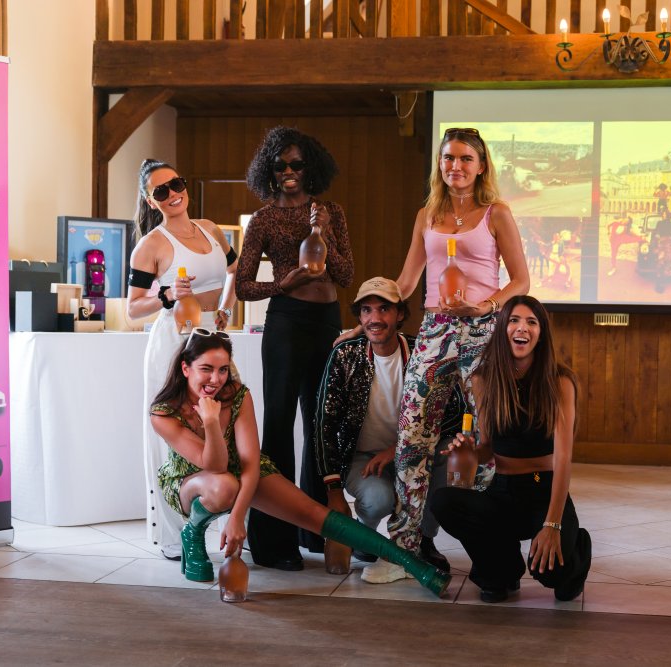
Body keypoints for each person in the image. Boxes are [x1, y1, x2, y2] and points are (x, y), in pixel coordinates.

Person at [340, 127, 530, 582]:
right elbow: (406, 283)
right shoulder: (427, 214)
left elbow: (521, 280)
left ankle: (492, 552)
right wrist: (369, 315)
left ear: (481, 166)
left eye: (465, 158)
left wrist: (486, 306)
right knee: (412, 440)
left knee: (485, 441)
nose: (455, 166)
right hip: (434, 331)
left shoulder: (497, 213)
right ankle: (404, 552)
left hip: (483, 332)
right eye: (448, 158)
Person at [149, 331, 450, 597]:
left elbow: (250, 463)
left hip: (241, 470)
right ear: (186, 368)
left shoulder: (237, 395)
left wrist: (238, 517)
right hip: (191, 480)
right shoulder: (164, 413)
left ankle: (413, 565)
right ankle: (193, 531)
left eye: (223, 370)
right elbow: (214, 465)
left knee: (313, 513)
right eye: (206, 369)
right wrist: (211, 422)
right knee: (224, 485)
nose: (216, 380)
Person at [236, 126, 354, 570]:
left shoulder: (331, 212)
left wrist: (323, 231)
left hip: (326, 321)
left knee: (321, 424)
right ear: (268, 171)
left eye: (297, 164)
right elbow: (243, 286)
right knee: (280, 425)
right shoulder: (264, 220)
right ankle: (273, 541)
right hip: (285, 322)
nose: (288, 171)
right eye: (280, 164)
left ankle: (316, 529)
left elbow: (346, 274)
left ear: (311, 168)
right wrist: (281, 285)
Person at [430, 295, 592, 603]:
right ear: (503, 328)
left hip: (544, 489)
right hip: (503, 489)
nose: (522, 328)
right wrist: (469, 452)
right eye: (514, 320)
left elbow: (564, 457)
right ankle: (502, 569)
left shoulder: (560, 381)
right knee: (444, 501)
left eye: (532, 322)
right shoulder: (483, 378)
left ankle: (578, 546)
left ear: (541, 333)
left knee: (554, 578)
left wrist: (553, 524)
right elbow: (488, 449)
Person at [127, 158, 238, 560]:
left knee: (221, 424)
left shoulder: (210, 229)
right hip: (174, 340)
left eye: (177, 184)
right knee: (175, 431)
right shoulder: (151, 245)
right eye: (161, 191)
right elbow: (132, 309)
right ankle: (175, 535)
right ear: (150, 200)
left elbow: (235, 268)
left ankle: (224, 523)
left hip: (212, 336)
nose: (173, 194)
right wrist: (167, 295)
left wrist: (226, 306)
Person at [315, 277, 463, 576]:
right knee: (378, 500)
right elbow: (324, 423)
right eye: (366, 310)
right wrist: (333, 490)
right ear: (359, 317)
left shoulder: (423, 355)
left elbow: (454, 411)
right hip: (363, 457)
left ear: (400, 314)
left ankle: (424, 540)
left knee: (451, 452)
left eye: (384, 309)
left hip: (414, 451)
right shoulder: (345, 355)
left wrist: (398, 449)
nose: (375, 318)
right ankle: (365, 537)